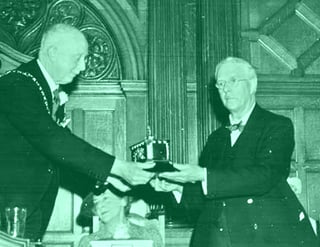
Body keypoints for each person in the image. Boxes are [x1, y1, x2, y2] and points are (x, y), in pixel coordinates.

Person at [0, 23, 154, 241]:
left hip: (26, 209)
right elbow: (53, 139)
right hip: (7, 211)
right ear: (53, 52)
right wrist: (119, 167)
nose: (82, 67)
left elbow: (62, 153)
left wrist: (109, 179)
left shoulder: (45, 90)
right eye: (77, 57)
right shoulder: (17, 85)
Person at [152, 57, 319, 246]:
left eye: (233, 81)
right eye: (221, 84)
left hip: (261, 239)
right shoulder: (216, 139)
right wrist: (177, 187)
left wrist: (203, 174)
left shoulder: (277, 126)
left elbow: (265, 176)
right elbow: (210, 200)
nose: (226, 89)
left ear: (252, 85)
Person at [77, 184, 163, 247]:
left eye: (105, 198)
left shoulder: (149, 237)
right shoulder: (88, 243)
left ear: (123, 201)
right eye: (96, 202)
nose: (100, 206)